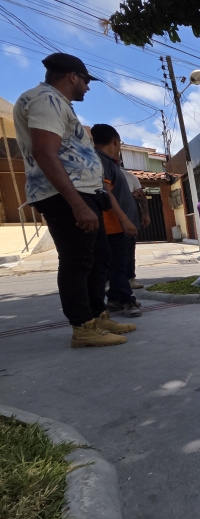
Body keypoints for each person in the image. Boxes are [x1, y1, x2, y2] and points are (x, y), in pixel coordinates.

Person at [13, 53, 135, 347]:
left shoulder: (56, 103)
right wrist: (77, 203)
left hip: (84, 194)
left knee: (99, 258)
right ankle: (83, 326)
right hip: (65, 195)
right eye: (85, 81)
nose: (87, 87)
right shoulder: (45, 100)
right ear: (72, 76)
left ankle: (97, 315)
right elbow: (44, 152)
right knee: (78, 260)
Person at [92, 124, 142, 318]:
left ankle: (114, 300)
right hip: (114, 226)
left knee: (118, 265)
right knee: (119, 267)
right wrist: (125, 221)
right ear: (115, 141)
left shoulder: (108, 163)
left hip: (118, 225)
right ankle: (127, 300)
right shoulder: (102, 162)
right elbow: (107, 195)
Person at [123, 170, 150, 290]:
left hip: (130, 217)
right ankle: (108, 280)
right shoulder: (101, 172)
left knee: (129, 249)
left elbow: (141, 196)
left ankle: (130, 278)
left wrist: (145, 214)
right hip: (110, 219)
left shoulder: (130, 177)